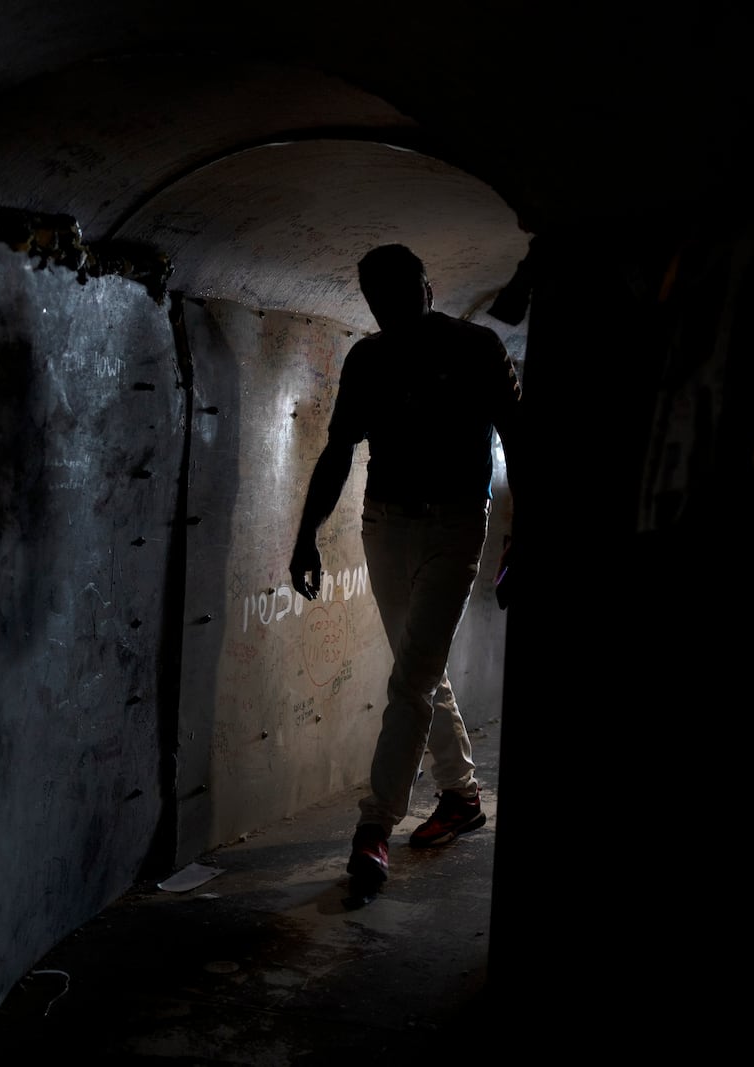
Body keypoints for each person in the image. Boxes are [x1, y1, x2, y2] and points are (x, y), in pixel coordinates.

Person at [289, 242, 521, 903]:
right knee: (416, 668)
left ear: (427, 286)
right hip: (384, 523)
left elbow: (522, 438)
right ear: (371, 304)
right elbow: (338, 451)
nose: (391, 310)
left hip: (454, 525)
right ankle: (463, 794)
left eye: (401, 294)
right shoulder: (369, 358)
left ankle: (374, 826)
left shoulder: (478, 349)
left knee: (410, 678)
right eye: (378, 302)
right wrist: (306, 536)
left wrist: (519, 533)